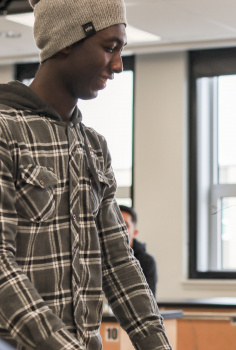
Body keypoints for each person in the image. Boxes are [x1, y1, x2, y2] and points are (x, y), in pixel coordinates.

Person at [0, 0, 171, 348]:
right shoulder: (6, 130)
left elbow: (117, 261)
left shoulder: (94, 146)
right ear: (66, 41)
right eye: (109, 47)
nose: (119, 66)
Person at [120, 205, 158, 297]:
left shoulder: (146, 262)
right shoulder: (96, 258)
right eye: (114, 224)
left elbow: (149, 300)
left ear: (135, 232)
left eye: (126, 225)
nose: (119, 229)